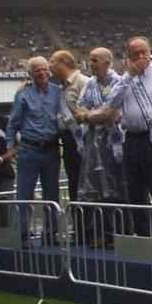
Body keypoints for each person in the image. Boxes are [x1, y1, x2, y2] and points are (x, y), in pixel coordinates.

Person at [90, 37, 152, 246]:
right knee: (136, 192)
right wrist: (129, 76)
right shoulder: (123, 80)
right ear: (128, 56)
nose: (140, 57)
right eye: (135, 53)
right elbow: (112, 103)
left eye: (143, 52)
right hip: (132, 141)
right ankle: (144, 237)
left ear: (150, 52)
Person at [71, 48, 127, 244]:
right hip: (94, 147)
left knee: (118, 190)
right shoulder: (90, 83)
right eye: (90, 60)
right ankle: (103, 234)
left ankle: (121, 235)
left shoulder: (119, 82)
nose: (91, 64)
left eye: (95, 60)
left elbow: (113, 114)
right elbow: (78, 111)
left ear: (107, 62)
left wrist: (91, 115)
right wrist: (96, 115)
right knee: (98, 191)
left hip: (116, 145)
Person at [6, 56, 62, 246]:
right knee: (25, 193)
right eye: (37, 70)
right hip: (29, 150)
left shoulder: (58, 92)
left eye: (44, 69)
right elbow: (12, 124)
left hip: (52, 150)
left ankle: (51, 233)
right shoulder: (23, 95)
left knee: (52, 193)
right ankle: (22, 235)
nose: (41, 73)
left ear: (49, 71)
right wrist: (10, 147)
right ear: (30, 74)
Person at [49, 50, 88, 202]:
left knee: (85, 182)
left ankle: (89, 223)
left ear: (64, 62)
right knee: (74, 184)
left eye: (52, 62)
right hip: (68, 142)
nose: (50, 66)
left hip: (83, 139)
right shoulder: (61, 86)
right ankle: (79, 222)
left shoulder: (83, 82)